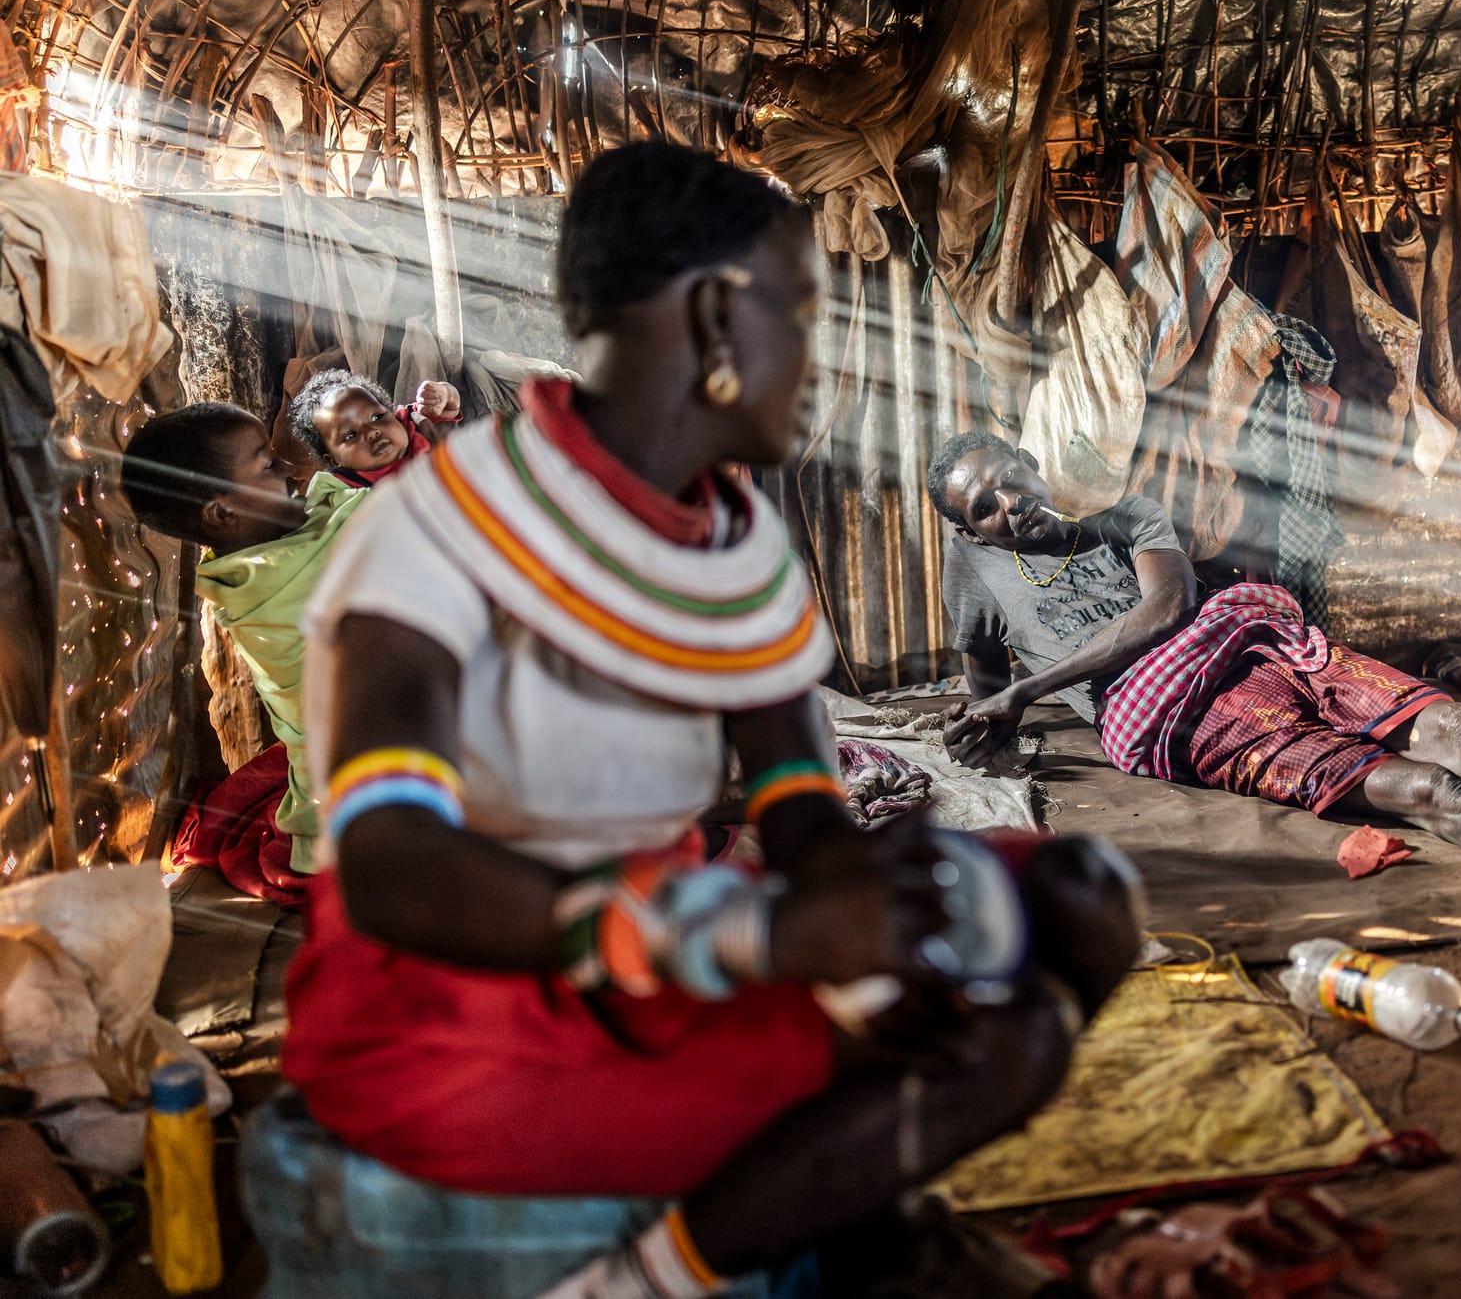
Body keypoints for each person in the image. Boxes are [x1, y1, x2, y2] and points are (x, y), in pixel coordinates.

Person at [280, 143, 1140, 1296]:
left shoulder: (736, 546)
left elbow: (798, 803)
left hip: (659, 949)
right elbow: (391, 866)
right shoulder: (442, 530)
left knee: (1075, 899)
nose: (817, 357)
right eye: (801, 314)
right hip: (460, 1003)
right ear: (713, 316)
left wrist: (863, 889)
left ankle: (843, 1217)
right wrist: (752, 935)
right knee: (1008, 1043)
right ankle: (644, 1279)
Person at [927, 430, 1461, 890]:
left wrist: (1029, 688)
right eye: (983, 508)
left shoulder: (1129, 516)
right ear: (969, 532)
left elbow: (1168, 607)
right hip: (1176, 718)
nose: (1009, 506)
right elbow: (987, 689)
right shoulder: (974, 572)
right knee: (1432, 793)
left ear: (1030, 462)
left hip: (1256, 643)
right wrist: (992, 719)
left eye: (1009, 482)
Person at [120, 401, 368, 879]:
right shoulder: (273, 593)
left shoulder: (279, 548)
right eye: (268, 465)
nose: (290, 470)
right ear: (222, 512)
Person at [283, 369, 462, 486]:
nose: (371, 432)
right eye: (351, 435)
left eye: (377, 417)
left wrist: (444, 393)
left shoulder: (417, 423)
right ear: (335, 461)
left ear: (392, 413)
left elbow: (450, 408)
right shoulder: (344, 489)